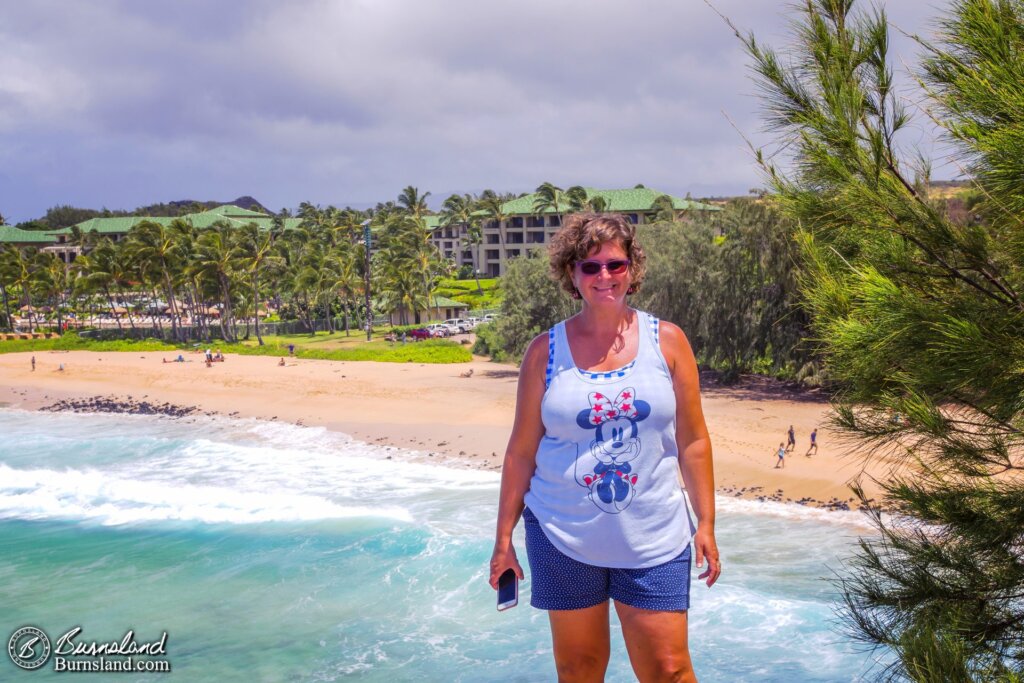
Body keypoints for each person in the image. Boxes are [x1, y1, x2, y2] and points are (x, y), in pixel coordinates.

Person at [489, 213, 720, 682]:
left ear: (632, 269)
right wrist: (502, 541)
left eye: (615, 264)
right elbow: (520, 453)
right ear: (571, 274)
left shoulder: (669, 342)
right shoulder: (543, 351)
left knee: (669, 671)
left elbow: (694, 440)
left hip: (655, 536)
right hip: (561, 535)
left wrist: (708, 523)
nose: (604, 276)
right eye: (590, 267)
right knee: (579, 670)